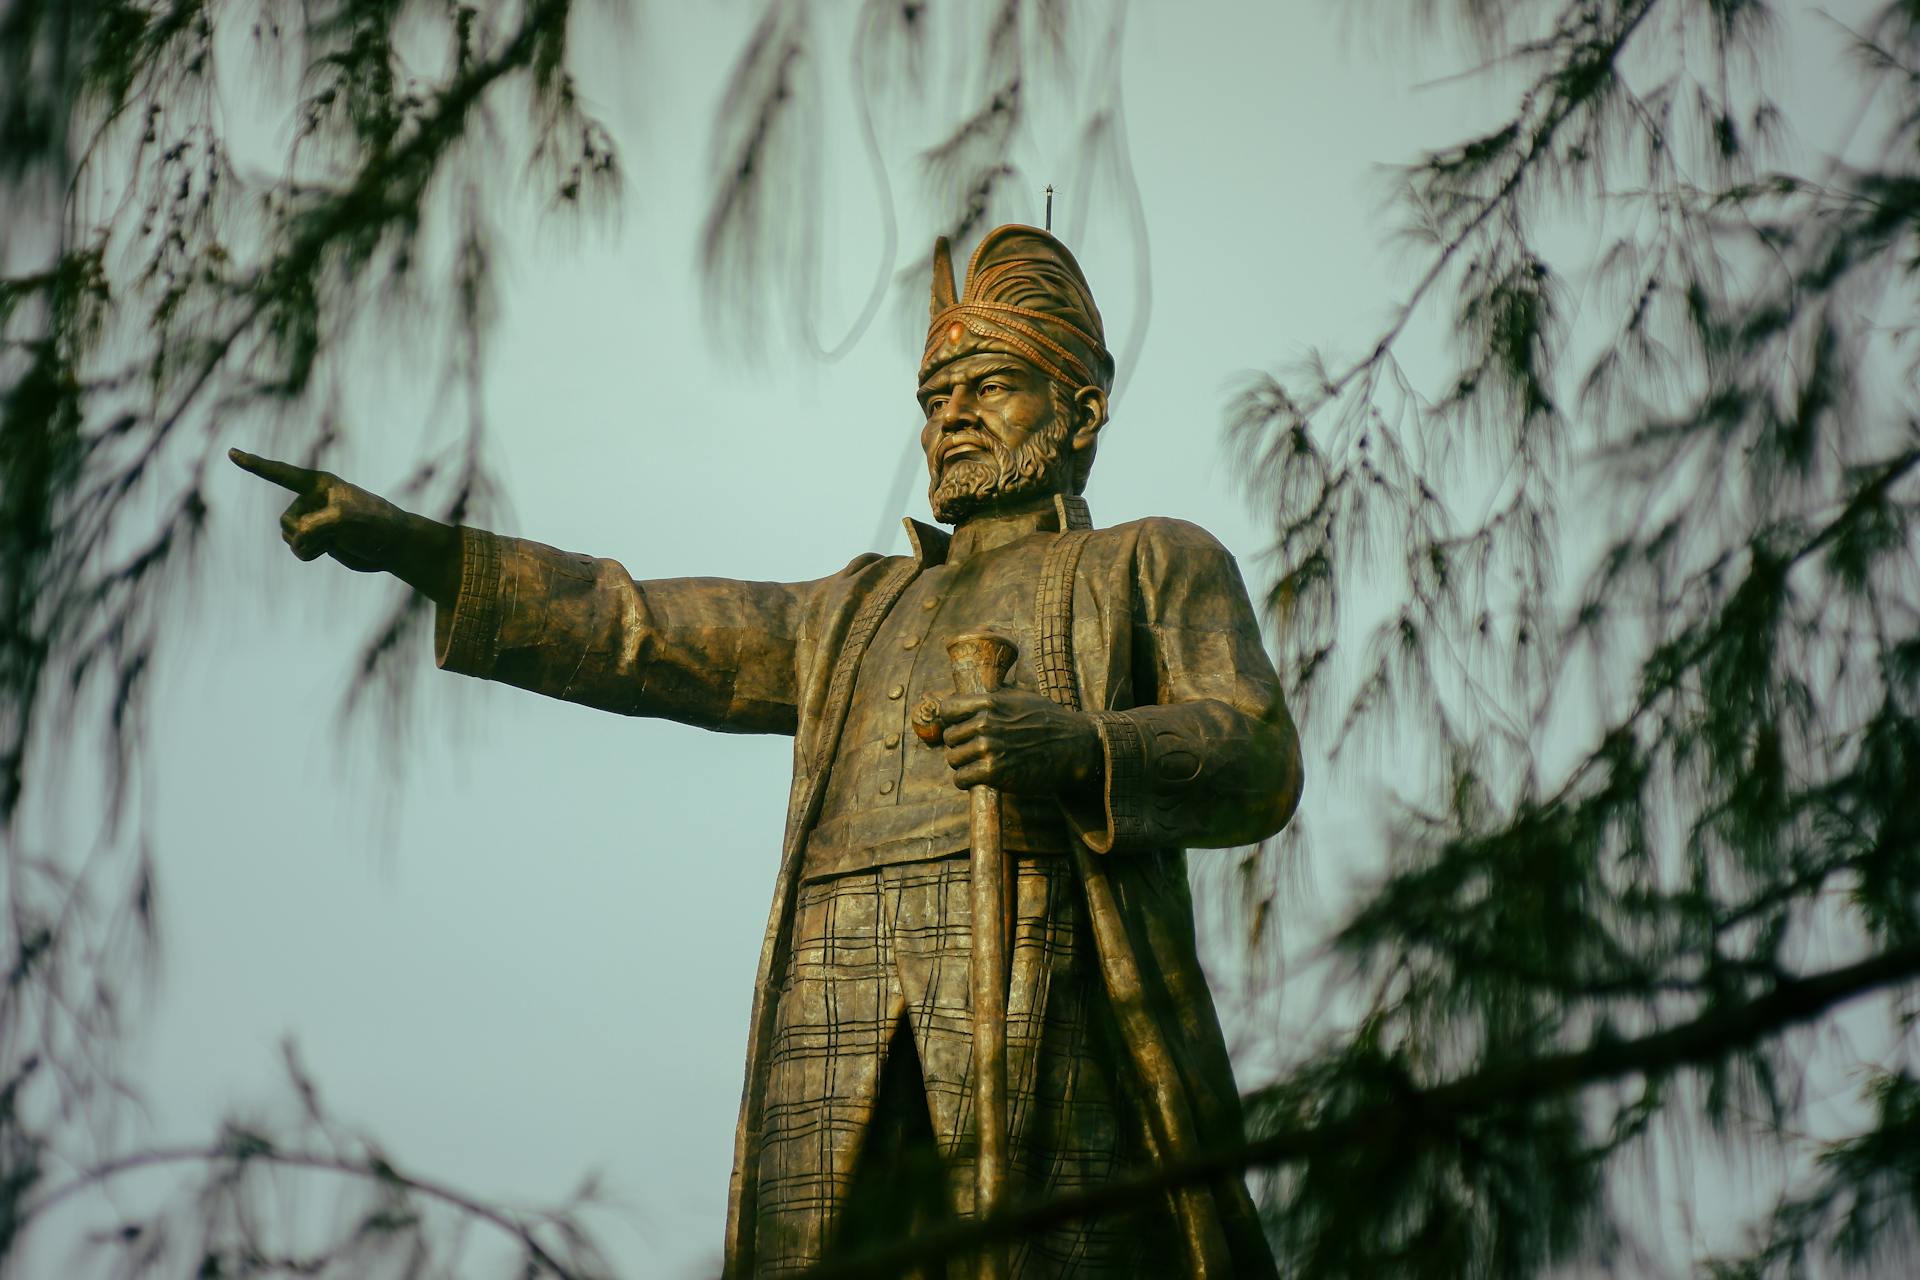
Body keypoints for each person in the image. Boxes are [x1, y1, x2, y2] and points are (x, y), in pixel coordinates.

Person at [233, 224, 1302, 1277]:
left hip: (1040, 954)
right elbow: (633, 627)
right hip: (830, 978)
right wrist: (429, 552)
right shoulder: (854, 607)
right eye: (935, 400)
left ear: (1081, 409)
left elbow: (1253, 750)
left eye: (990, 385)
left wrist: (1082, 745)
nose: (954, 418)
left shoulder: (1151, 562)